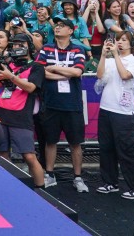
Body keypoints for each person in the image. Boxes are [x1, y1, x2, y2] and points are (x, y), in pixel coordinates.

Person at [36, 14, 89, 192]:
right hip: (51, 102)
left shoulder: (78, 50)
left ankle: (78, 177)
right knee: (50, 141)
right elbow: (40, 72)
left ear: (71, 30)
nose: (57, 27)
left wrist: (53, 68)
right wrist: (64, 72)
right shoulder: (46, 48)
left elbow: (77, 72)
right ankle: (49, 174)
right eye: (56, 25)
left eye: (61, 25)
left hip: (72, 104)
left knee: (75, 143)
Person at [95, 32, 134, 199]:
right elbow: (99, 75)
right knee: (106, 148)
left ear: (131, 44)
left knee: (127, 150)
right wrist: (104, 55)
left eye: (124, 40)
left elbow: (125, 75)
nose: (120, 43)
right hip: (106, 108)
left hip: (124, 113)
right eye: (118, 40)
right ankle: (110, 182)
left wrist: (116, 55)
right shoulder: (110, 60)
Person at [0, 33, 46, 188]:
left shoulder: (37, 67)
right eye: (14, 44)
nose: (17, 47)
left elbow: (31, 88)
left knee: (28, 155)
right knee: (2, 153)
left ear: (29, 46)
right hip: (1, 112)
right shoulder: (10, 64)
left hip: (21, 115)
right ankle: (9, 186)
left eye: (21, 44)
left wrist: (12, 77)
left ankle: (40, 190)